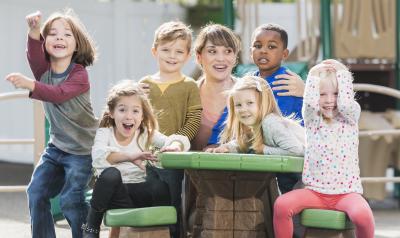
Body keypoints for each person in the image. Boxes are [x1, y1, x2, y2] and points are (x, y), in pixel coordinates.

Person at [5, 9, 98, 238]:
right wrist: (34, 30)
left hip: (82, 150)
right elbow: (33, 55)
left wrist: (30, 85)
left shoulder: (79, 74)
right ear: (45, 43)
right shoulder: (42, 71)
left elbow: (58, 93)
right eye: (53, 34)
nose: (59, 38)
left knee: (70, 200)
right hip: (56, 148)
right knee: (36, 192)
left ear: (77, 44)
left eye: (66, 34)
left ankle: (87, 235)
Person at [273, 59, 375, 238]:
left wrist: (342, 72)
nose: (330, 101)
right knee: (281, 205)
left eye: (336, 93)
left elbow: (345, 105)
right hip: (315, 192)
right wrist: (313, 74)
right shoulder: (313, 119)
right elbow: (310, 103)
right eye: (322, 94)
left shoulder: (350, 117)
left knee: (363, 215)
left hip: (346, 194)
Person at [82, 80, 191, 238]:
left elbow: (176, 139)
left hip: (138, 193)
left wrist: (175, 145)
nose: (129, 116)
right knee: (110, 175)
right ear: (112, 113)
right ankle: (91, 227)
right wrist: (131, 156)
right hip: (115, 195)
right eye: (122, 110)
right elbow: (100, 157)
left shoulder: (144, 133)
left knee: (159, 186)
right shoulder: (105, 133)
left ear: (142, 115)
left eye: (135, 111)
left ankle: (167, 230)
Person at [139, 21, 202, 237]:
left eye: (178, 51)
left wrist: (176, 143)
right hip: (145, 157)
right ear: (155, 51)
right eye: (165, 49)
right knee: (148, 204)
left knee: (172, 204)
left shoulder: (189, 85)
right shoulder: (144, 84)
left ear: (187, 55)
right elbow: (135, 117)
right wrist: (134, 94)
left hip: (173, 159)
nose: (172, 55)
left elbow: (193, 120)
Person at [250, 23, 305, 194]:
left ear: (284, 53)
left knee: (284, 190)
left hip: (288, 152)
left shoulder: (286, 81)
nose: (263, 51)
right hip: (263, 150)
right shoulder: (250, 81)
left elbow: (280, 124)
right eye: (258, 46)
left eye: (271, 47)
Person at [206, 75, 304, 158]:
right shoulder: (255, 126)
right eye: (238, 105)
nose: (243, 109)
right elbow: (245, 143)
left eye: (250, 103)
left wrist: (263, 149)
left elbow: (296, 151)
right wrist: (226, 148)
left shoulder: (270, 123)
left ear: (263, 104)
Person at [191, 23, 241, 151]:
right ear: (199, 56)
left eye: (228, 51)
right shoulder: (187, 94)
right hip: (194, 170)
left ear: (235, 57)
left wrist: (300, 89)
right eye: (212, 51)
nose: (220, 58)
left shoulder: (248, 92)